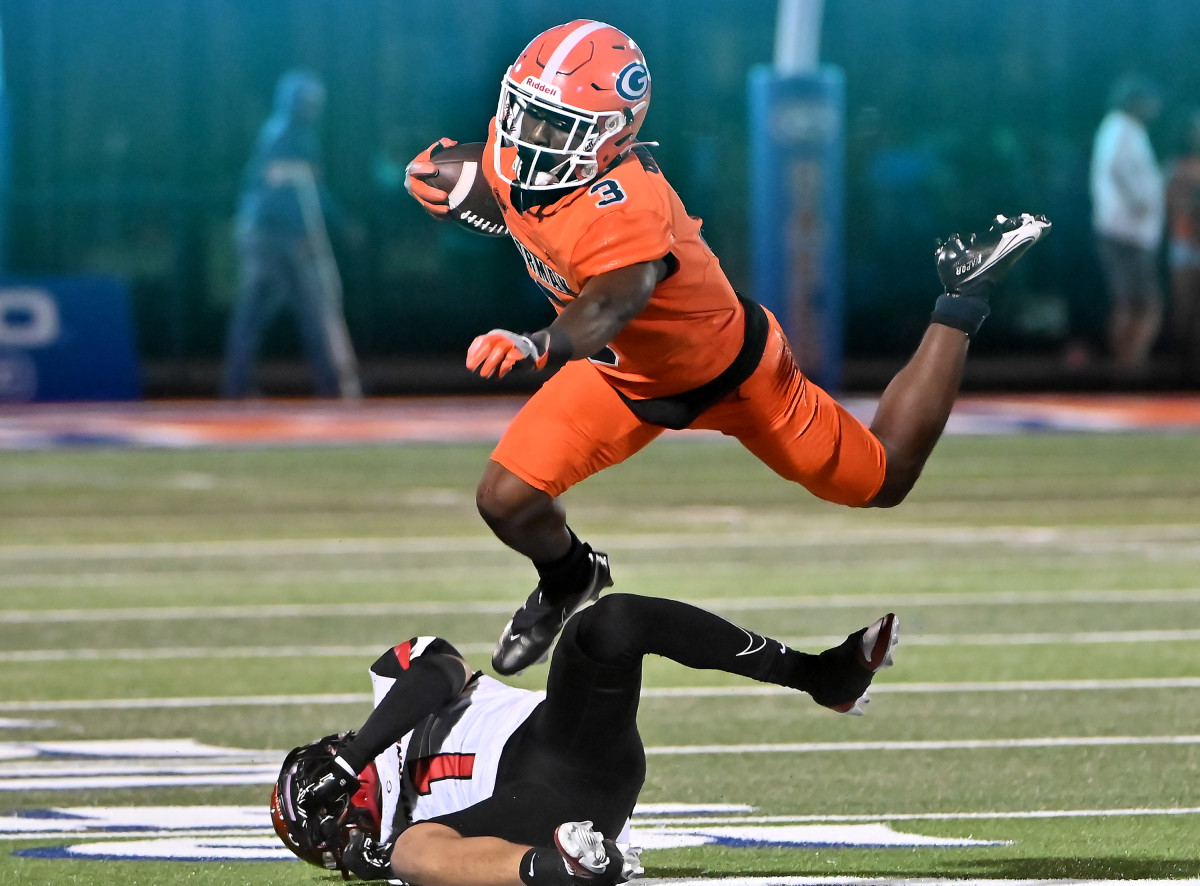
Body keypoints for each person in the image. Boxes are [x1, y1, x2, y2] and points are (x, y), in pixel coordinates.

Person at [404, 20, 1049, 677]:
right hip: (622, 380)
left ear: (611, 138)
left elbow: (613, 300)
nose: (526, 139)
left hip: (739, 380)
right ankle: (569, 577)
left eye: (554, 126)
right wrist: (433, 178)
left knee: (883, 480)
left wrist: (543, 343)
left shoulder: (625, 204)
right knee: (506, 499)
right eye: (525, 112)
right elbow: (456, 172)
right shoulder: (509, 163)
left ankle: (964, 296)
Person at [271, 593, 900, 883]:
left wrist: (359, 755)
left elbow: (436, 670)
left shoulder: (390, 693)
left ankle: (819, 674)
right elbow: (427, 856)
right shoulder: (401, 838)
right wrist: (380, 862)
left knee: (610, 624)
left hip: (562, 744)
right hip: (540, 817)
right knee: (413, 853)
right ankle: (568, 869)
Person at [222, 69, 361, 399]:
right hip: (273, 236)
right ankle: (332, 385)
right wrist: (304, 234)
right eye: (307, 102)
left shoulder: (283, 131)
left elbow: (309, 191)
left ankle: (239, 386)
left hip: (264, 232)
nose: (311, 108)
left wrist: (333, 225)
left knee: (278, 311)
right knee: (308, 307)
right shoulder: (288, 136)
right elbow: (287, 192)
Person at [1089, 74, 1166, 375]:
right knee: (1143, 304)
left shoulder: (1127, 130)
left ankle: (1127, 364)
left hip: (1130, 230)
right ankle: (1130, 365)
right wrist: (1140, 200)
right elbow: (1118, 168)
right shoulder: (1119, 128)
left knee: (1131, 302)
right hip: (1125, 230)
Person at [1165, 109, 1200, 385]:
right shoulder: (1176, 167)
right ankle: (1181, 371)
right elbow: (1171, 206)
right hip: (1184, 243)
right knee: (1184, 307)